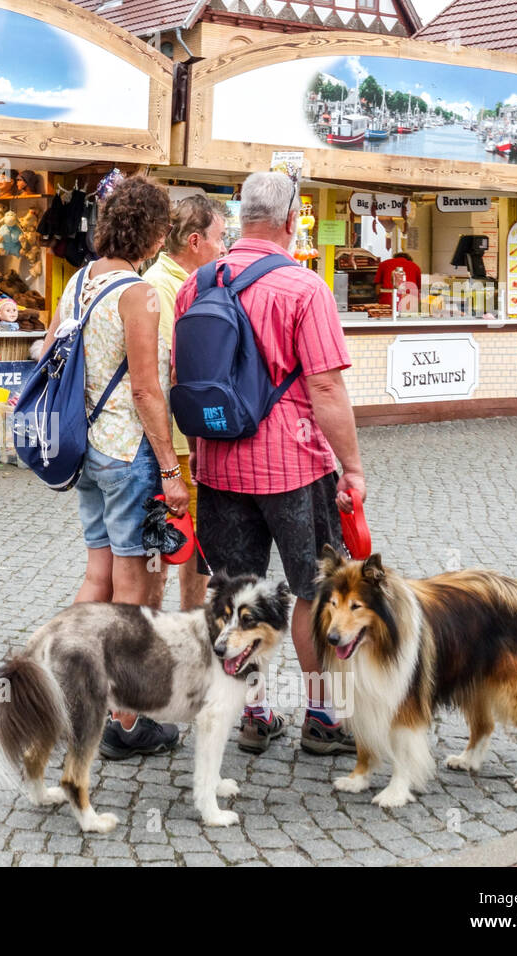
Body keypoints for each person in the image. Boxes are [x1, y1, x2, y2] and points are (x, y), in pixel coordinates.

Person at [174, 171, 366, 756]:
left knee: (236, 591)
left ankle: (254, 713)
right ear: (291, 219)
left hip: (218, 463)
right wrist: (352, 466)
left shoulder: (196, 284)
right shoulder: (305, 288)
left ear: (238, 219)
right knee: (312, 590)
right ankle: (321, 717)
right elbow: (326, 389)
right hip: (293, 464)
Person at [39, 175, 190, 761]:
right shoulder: (139, 293)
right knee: (132, 588)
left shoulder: (78, 281)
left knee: (96, 572)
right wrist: (172, 470)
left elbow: (49, 351)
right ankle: (127, 720)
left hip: (86, 451)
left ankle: (71, 687)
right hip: (128, 454)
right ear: (154, 233)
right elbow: (149, 392)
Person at [142, 194, 226, 612]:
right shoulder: (162, 285)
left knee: (196, 544)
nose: (224, 247)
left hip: (189, 437)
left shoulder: (192, 283)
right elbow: (161, 375)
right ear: (195, 241)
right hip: (174, 442)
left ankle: (192, 625)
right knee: (164, 546)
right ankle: (158, 633)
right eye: (219, 238)